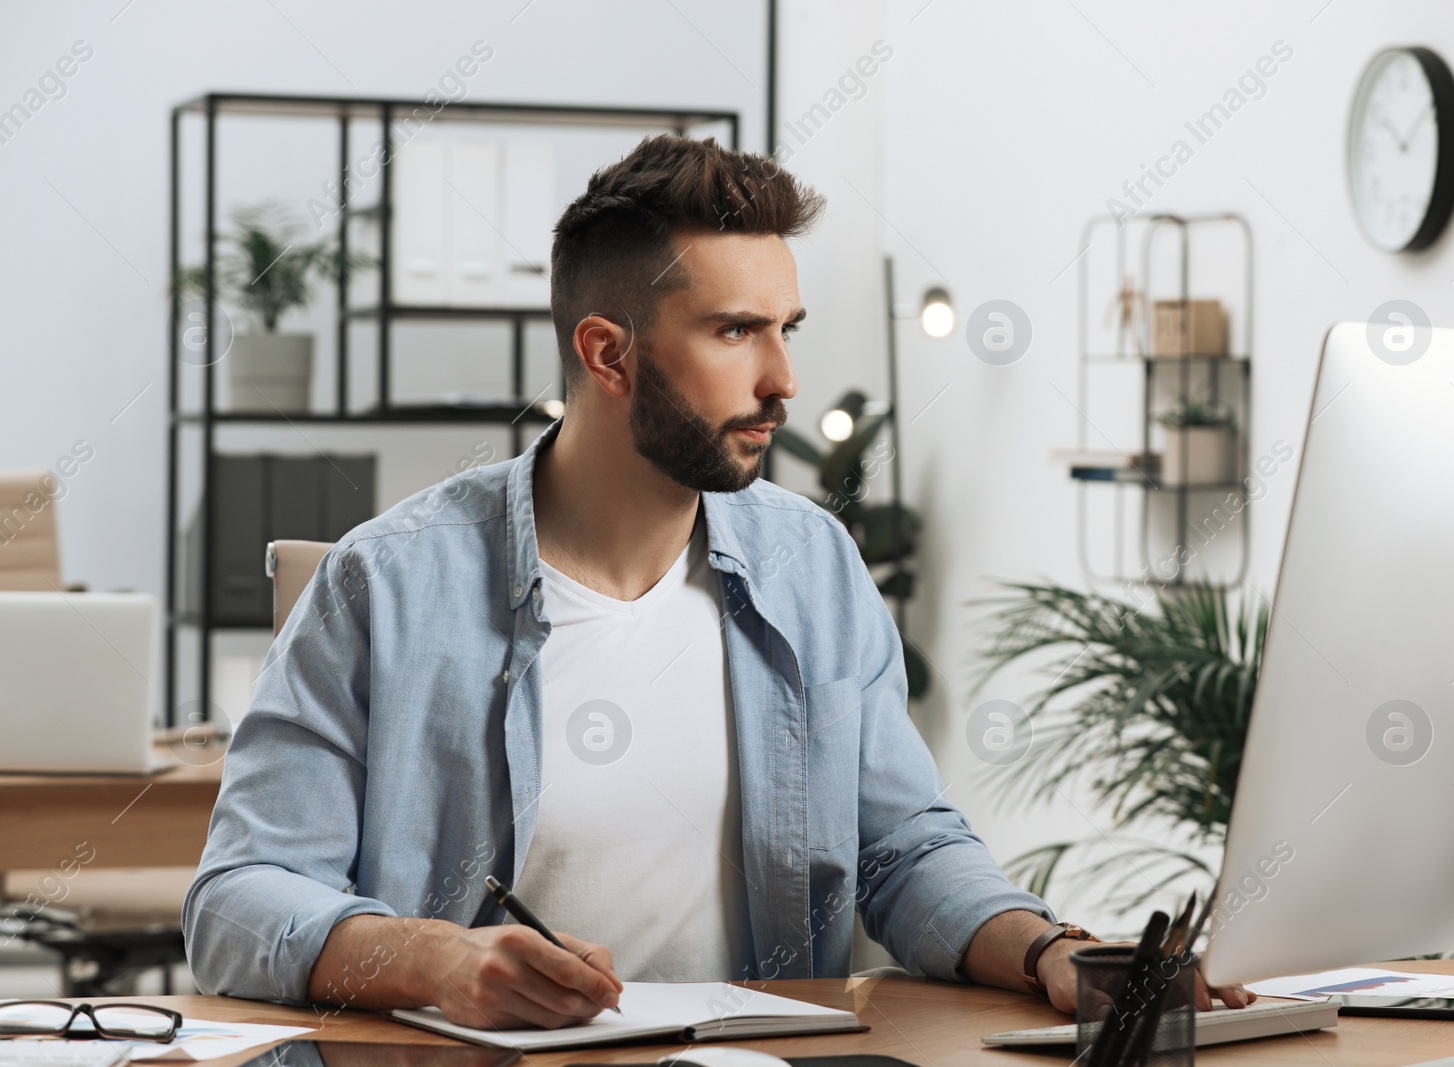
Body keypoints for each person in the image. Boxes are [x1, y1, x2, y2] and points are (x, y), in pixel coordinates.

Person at [183, 133, 1250, 1027]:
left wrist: (1048, 950)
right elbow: (238, 900)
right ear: (608, 354)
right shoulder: (386, 584)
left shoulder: (812, 566)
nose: (782, 379)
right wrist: (437, 960)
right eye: (736, 330)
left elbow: (902, 846)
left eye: (785, 329)